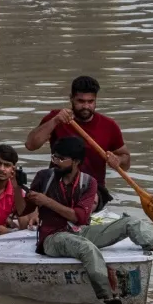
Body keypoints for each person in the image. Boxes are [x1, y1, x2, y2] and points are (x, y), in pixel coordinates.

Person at [26, 137, 153, 304]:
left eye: (61, 159)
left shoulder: (88, 182)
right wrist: (18, 187)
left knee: (131, 222)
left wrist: (47, 201)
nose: (55, 162)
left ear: (76, 162)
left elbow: (80, 218)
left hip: (79, 230)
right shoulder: (44, 177)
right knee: (86, 247)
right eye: (54, 157)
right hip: (52, 238)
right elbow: (22, 210)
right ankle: (108, 296)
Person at [25, 74, 127, 206]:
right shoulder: (56, 118)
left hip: (94, 190)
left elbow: (126, 161)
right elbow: (30, 145)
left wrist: (118, 160)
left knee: (91, 200)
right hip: (57, 185)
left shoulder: (109, 126)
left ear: (96, 100)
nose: (86, 106)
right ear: (71, 99)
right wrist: (55, 121)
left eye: (90, 102)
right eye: (80, 101)